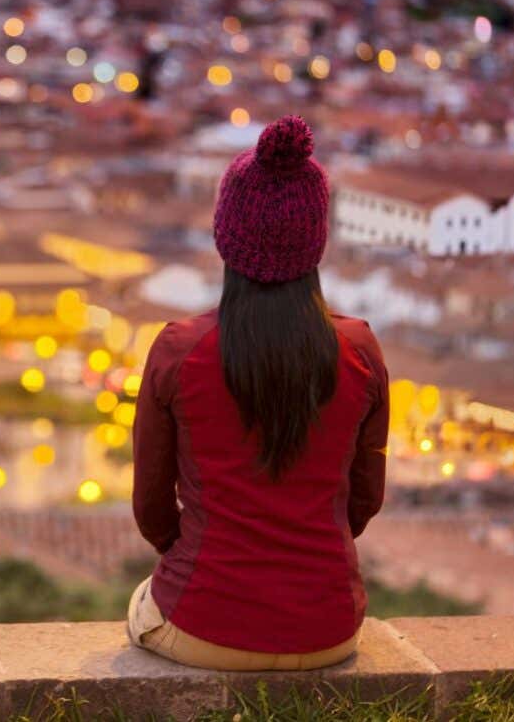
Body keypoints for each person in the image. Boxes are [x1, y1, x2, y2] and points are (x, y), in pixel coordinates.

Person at [127, 114, 389, 671]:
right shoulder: (360, 351)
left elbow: (151, 505)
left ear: (227, 235)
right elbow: (364, 499)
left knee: (138, 605)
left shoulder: (180, 350)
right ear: (314, 241)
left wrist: (188, 553)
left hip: (202, 623)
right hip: (330, 631)